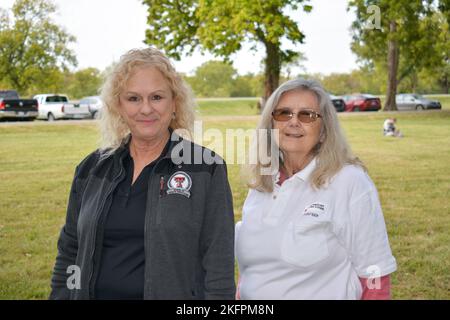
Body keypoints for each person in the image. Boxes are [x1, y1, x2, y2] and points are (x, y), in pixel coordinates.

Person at [49, 48, 236, 300]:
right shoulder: (91, 169)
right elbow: (70, 250)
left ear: (174, 103)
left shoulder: (206, 168)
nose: (146, 109)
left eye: (157, 97)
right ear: (119, 106)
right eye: (134, 98)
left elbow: (218, 264)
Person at [235, 79, 397, 300]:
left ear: (324, 130)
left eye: (307, 115)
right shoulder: (262, 183)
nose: (293, 122)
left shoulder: (349, 181)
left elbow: (375, 274)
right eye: (283, 113)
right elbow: (252, 272)